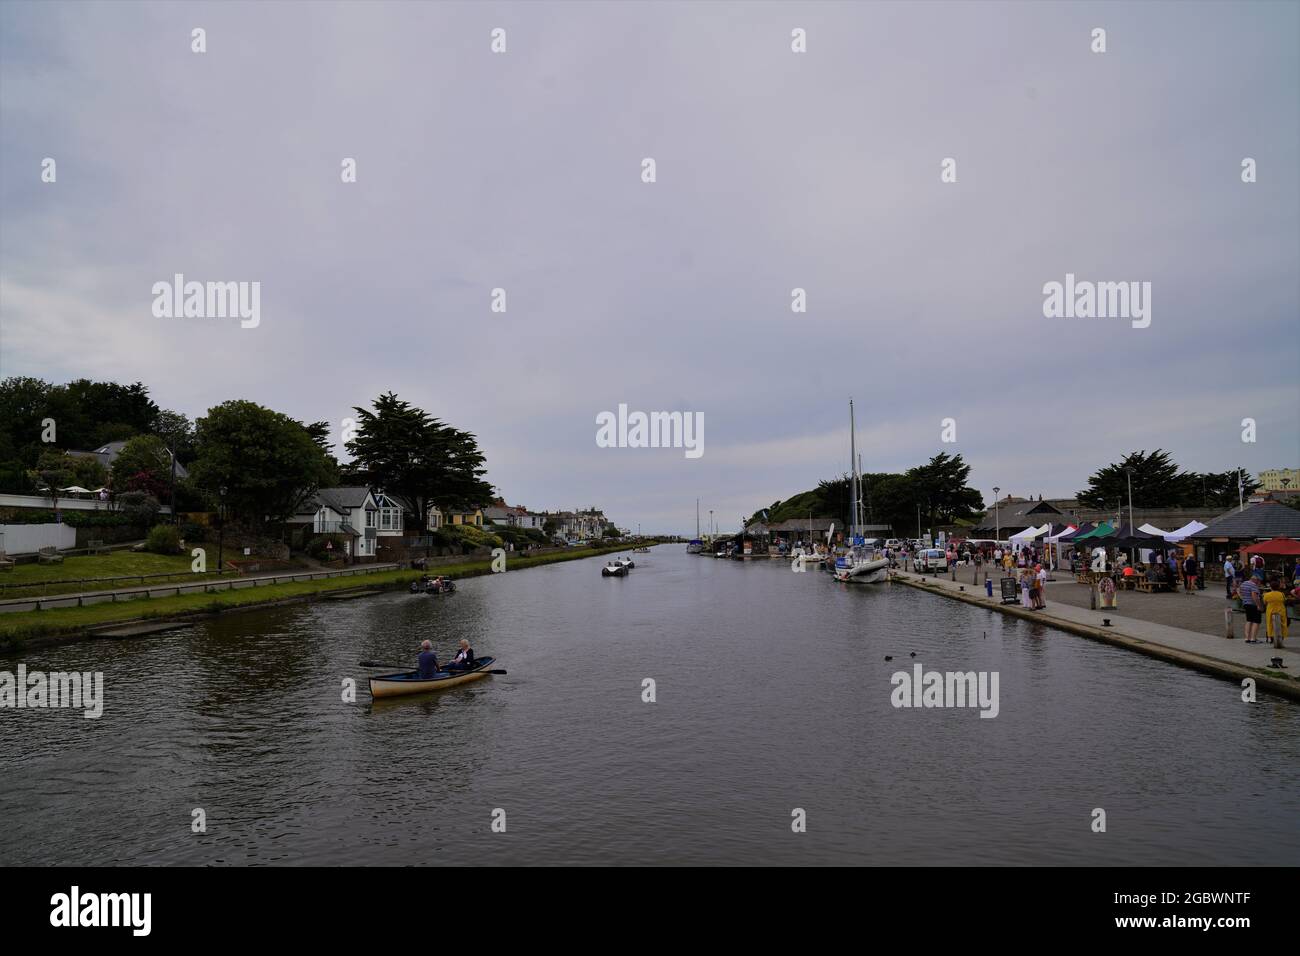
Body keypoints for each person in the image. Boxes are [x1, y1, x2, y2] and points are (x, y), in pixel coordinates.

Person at [1263, 578, 1289, 648]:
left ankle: (1273, 640)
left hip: (1270, 611)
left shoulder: (1267, 595)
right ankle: (1281, 641)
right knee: (1282, 625)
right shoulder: (1282, 594)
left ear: (1270, 587)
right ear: (1278, 587)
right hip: (1281, 611)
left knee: (1271, 625)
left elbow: (1265, 602)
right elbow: (1284, 601)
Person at [1239, 573, 1264, 643]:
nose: (1259, 583)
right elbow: (1254, 596)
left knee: (1249, 620)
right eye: (1259, 581)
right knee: (1256, 621)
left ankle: (1247, 638)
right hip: (1253, 605)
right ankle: (1253, 638)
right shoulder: (1253, 585)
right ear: (1255, 580)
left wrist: (1244, 599)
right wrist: (1259, 605)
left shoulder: (1244, 583)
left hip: (1246, 604)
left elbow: (1239, 591)